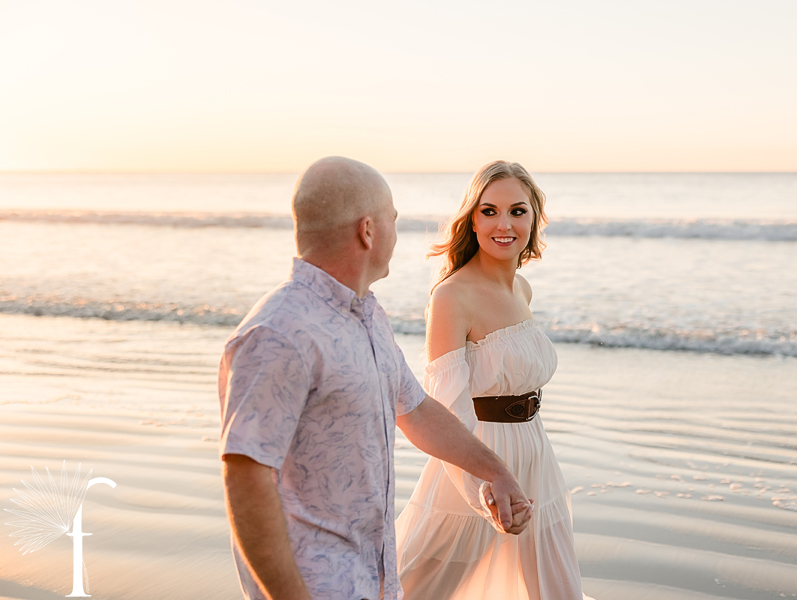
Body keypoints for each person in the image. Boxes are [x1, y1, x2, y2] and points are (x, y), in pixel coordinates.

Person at [217, 157, 533, 600]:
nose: (395, 234)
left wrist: (496, 472)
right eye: (393, 220)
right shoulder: (278, 333)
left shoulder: (367, 316)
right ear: (368, 230)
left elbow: (419, 411)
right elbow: (245, 477)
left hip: (377, 580)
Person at [395, 160, 588, 599]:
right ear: (472, 219)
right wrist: (481, 486)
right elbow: (446, 406)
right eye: (489, 211)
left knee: (558, 590)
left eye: (517, 211)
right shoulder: (451, 296)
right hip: (476, 455)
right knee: (420, 589)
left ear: (534, 217)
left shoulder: (522, 290)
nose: (504, 224)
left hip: (536, 452)